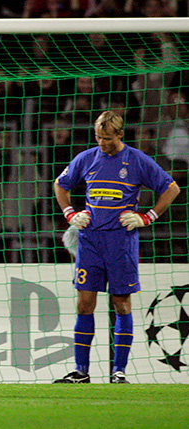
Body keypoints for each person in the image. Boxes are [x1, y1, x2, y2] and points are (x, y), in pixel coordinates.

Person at [53, 111, 180, 384]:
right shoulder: (86, 158)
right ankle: (81, 371)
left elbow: (171, 188)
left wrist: (147, 217)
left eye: (107, 138)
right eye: (98, 137)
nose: (102, 143)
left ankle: (119, 372)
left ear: (120, 134)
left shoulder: (136, 160)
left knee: (121, 303)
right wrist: (70, 214)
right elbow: (60, 185)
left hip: (121, 242)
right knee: (84, 303)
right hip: (90, 240)